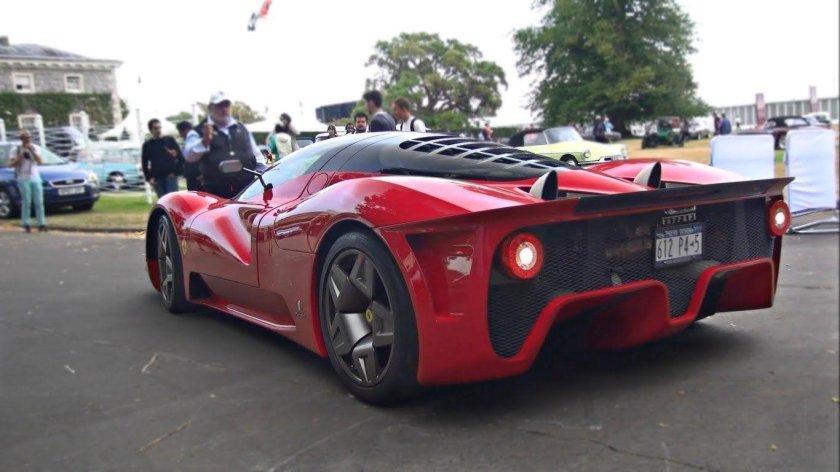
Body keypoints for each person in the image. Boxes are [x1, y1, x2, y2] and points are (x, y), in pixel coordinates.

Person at [183, 91, 267, 199]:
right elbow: (189, 156)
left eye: (226, 105)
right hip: (213, 195)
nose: (224, 109)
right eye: (219, 106)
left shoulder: (241, 128)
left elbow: (256, 155)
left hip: (246, 192)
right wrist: (204, 141)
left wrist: (266, 175)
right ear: (210, 108)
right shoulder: (198, 131)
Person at [8, 130, 46, 232]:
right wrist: (20, 156)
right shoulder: (15, 149)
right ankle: (26, 223)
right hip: (22, 178)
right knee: (27, 202)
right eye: (25, 138)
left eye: (28, 138)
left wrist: (32, 151)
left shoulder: (35, 147)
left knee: (39, 201)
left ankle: (41, 223)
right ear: (21, 139)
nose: (27, 140)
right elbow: (11, 164)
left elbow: (40, 161)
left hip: (35, 177)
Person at [141, 119, 183, 198]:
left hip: (171, 176)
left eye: (159, 128)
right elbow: (144, 162)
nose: (158, 130)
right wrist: (149, 177)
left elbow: (180, 157)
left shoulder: (169, 140)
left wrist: (176, 172)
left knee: (172, 200)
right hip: (157, 178)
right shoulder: (148, 145)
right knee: (162, 202)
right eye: (155, 128)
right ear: (151, 130)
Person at [176, 120, 201, 191]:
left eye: (180, 132)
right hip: (191, 176)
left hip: (197, 176)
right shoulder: (187, 142)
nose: (180, 135)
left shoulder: (195, 140)